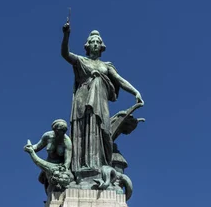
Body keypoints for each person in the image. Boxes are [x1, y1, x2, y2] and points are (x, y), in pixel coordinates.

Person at [61, 24, 144, 179]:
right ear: (87, 45)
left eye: (97, 42)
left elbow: (119, 80)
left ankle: (99, 166)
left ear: (101, 46)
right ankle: (82, 169)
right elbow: (65, 54)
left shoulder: (106, 66)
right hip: (82, 99)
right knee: (83, 131)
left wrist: (135, 92)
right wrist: (66, 35)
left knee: (102, 131)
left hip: (100, 102)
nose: (95, 44)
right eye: (92, 41)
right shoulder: (81, 60)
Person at [24, 119, 72, 192]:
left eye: (63, 131)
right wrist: (30, 148)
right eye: (59, 130)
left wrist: (64, 168)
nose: (61, 133)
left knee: (57, 186)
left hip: (59, 166)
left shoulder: (67, 141)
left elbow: (67, 159)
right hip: (48, 163)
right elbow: (38, 146)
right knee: (48, 186)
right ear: (55, 129)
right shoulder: (47, 136)